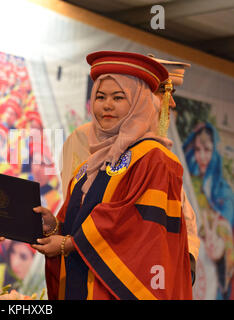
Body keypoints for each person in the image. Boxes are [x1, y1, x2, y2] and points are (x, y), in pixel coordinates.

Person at [32, 51, 193, 299]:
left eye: (118, 97)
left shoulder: (155, 158)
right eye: (100, 96)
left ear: (139, 103)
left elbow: (136, 227)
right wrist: (54, 228)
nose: (106, 105)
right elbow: (78, 222)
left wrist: (69, 245)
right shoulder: (89, 166)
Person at [183, 122, 234, 299]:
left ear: (215, 152)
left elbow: (226, 231)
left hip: (214, 272)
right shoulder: (190, 184)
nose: (202, 156)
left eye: (207, 149)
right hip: (191, 260)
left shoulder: (224, 191)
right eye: (198, 149)